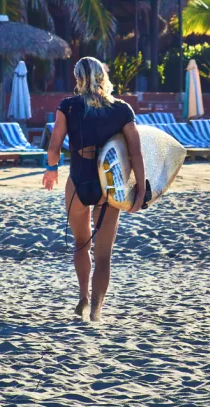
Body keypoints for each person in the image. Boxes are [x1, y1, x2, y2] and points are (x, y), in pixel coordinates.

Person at [43, 57, 145, 322]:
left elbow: (54, 148)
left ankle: (84, 298)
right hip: (110, 184)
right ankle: (97, 310)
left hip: (79, 179)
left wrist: (51, 169)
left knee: (80, 244)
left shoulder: (67, 106)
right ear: (103, 76)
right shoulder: (121, 109)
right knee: (103, 253)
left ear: (78, 78)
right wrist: (141, 191)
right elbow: (136, 152)